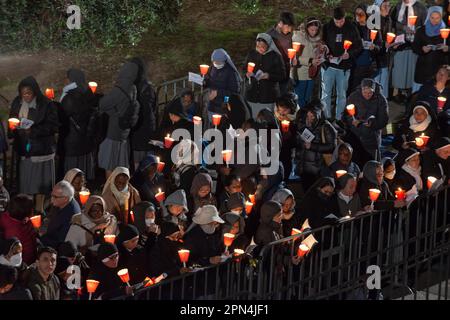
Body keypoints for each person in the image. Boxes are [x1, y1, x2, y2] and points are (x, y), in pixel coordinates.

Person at [8, 76, 59, 214]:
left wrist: (33, 130)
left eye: (29, 93)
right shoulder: (17, 103)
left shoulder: (46, 104)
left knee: (40, 181)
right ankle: (28, 209)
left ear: (35, 91)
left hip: (41, 149)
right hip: (24, 149)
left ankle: (40, 208)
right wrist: (12, 131)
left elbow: (53, 126)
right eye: (23, 93)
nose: (26, 96)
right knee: (26, 180)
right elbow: (11, 118)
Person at [98, 61, 140, 179]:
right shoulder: (133, 88)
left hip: (114, 132)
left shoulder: (120, 88)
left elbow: (103, 103)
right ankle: (120, 190)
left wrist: (110, 111)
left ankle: (109, 191)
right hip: (124, 133)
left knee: (110, 165)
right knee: (121, 166)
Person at [321, 7, 362, 120]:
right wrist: (326, 52)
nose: (339, 24)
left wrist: (349, 54)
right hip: (328, 66)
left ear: (344, 18)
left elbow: (359, 46)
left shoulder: (351, 28)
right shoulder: (327, 27)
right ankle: (327, 117)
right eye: (337, 21)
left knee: (342, 94)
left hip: (344, 67)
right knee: (326, 94)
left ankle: (339, 119)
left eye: (341, 21)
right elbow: (321, 43)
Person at [58, 68, 97, 181]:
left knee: (71, 175)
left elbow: (62, 117)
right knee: (82, 173)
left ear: (71, 79)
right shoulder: (89, 92)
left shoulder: (69, 96)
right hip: (86, 139)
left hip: (71, 141)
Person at [295, 102, 337, 191]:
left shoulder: (326, 127)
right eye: (308, 116)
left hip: (318, 169)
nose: (309, 119)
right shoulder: (303, 125)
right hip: (304, 169)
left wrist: (312, 146)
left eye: (312, 116)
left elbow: (332, 146)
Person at [343, 78, 389, 160]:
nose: (367, 95)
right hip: (355, 136)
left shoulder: (381, 100)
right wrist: (351, 121)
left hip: (372, 138)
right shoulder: (354, 97)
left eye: (370, 93)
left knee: (372, 162)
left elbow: (384, 120)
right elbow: (346, 114)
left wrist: (372, 123)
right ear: (361, 89)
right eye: (365, 92)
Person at [390, 0, 427, 99]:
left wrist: (417, 30)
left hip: (414, 43)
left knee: (411, 69)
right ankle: (398, 92)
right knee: (399, 69)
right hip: (400, 43)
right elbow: (392, 22)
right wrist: (403, 27)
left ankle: (410, 92)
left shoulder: (421, 7)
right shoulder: (398, 6)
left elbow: (425, 24)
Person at [244, 33, 286, 118]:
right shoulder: (252, 54)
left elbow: (282, 75)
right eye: (258, 46)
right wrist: (247, 74)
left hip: (268, 96)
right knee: (252, 120)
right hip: (252, 94)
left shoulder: (275, 56)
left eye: (263, 46)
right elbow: (244, 68)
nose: (260, 49)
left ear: (269, 45)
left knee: (266, 122)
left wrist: (269, 76)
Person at [129, 57, 157, 169]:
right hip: (148, 126)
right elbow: (154, 106)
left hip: (139, 127)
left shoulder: (133, 87)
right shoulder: (149, 87)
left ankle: (138, 180)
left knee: (138, 160)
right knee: (148, 159)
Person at [412, 6, 449, 88]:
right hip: (423, 67)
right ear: (428, 17)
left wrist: (447, 49)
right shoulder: (421, 30)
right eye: (432, 18)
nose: (434, 21)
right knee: (420, 94)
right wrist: (422, 49)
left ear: (441, 17)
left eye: (437, 18)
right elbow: (414, 47)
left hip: (439, 68)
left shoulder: (446, 31)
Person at [349, 4, 382, 92]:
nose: (358, 16)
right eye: (357, 13)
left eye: (361, 13)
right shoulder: (352, 27)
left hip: (369, 66)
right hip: (355, 66)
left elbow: (379, 45)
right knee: (354, 90)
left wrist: (374, 47)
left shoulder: (373, 27)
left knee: (368, 90)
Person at [292, 17, 324, 108]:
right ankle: (301, 117)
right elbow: (294, 57)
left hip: (312, 73)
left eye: (316, 30)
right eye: (311, 29)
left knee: (307, 98)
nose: (314, 32)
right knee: (300, 98)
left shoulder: (317, 38)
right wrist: (310, 61)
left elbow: (316, 51)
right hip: (300, 72)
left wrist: (321, 51)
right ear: (306, 28)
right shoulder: (298, 37)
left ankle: (307, 117)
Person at [41, 181, 81, 249]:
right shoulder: (63, 203)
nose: (51, 199)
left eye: (55, 197)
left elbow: (61, 241)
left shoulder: (70, 216)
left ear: (65, 198)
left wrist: (41, 237)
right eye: (52, 195)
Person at [204, 48, 242, 118]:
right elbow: (210, 81)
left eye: (218, 62)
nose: (216, 64)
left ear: (224, 61)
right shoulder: (212, 68)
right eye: (214, 62)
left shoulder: (230, 72)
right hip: (211, 104)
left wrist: (218, 92)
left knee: (221, 126)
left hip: (223, 106)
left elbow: (234, 91)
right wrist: (204, 82)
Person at [0, 194, 37, 264]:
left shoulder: (6, 216)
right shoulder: (16, 231)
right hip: (25, 264)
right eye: (32, 208)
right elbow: (26, 255)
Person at [267, 11, 296, 95]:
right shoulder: (269, 36)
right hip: (274, 75)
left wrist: (294, 57)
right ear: (280, 23)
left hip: (287, 73)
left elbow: (292, 48)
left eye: (291, 27)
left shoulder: (290, 34)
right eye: (288, 27)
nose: (290, 29)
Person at [374, 0, 393, 98]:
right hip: (376, 57)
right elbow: (375, 38)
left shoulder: (388, 19)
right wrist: (383, 44)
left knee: (384, 81)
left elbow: (388, 35)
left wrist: (393, 43)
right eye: (384, 6)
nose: (387, 8)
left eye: (388, 6)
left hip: (385, 55)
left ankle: (383, 103)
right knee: (375, 81)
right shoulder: (374, 19)